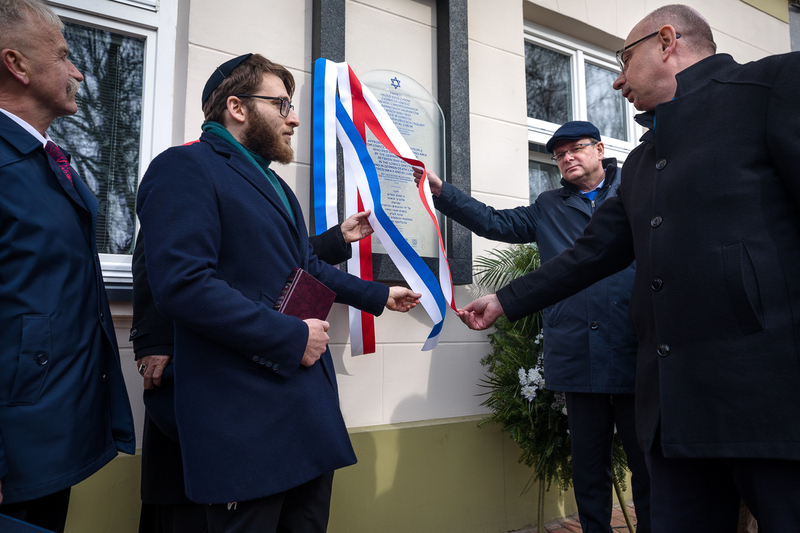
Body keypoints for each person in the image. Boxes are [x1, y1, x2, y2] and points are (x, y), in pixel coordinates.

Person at [459, 4, 800, 531]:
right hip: (673, 413)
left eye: (623, 59)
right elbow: (590, 253)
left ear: (667, 41)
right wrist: (507, 299)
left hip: (772, 404)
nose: (617, 79)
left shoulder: (772, 86)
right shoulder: (643, 161)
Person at [135, 53, 420, 533]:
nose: (294, 118)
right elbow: (183, 284)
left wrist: (376, 295)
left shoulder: (274, 184)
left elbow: (304, 269)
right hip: (246, 418)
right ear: (237, 107)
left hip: (303, 413)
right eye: (281, 103)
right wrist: (289, 338)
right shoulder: (185, 167)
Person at [414, 121, 650, 533]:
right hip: (578, 354)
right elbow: (493, 222)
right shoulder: (548, 206)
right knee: (588, 467)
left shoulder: (633, 191)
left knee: (647, 465)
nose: (567, 158)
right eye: (559, 155)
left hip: (635, 348)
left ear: (599, 149)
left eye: (576, 148)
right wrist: (441, 191)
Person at [130, 209, 376, 533]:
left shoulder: (274, 186)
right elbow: (168, 257)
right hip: (209, 374)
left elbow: (274, 257)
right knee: (188, 508)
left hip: (270, 392)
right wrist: (153, 338)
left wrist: (339, 242)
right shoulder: (191, 164)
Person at [0, 1, 135, 531]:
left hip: (47, 438)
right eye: (63, 55)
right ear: (17, 64)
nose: (78, 70)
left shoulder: (49, 161)